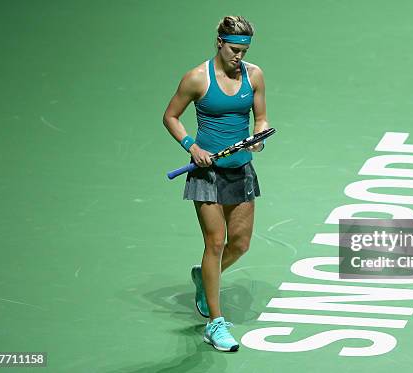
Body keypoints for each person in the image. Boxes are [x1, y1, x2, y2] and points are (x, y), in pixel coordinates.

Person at [162, 15, 269, 352]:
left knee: (240, 244)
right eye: (234, 49)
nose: (239, 56)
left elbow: (261, 118)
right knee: (216, 243)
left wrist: (258, 138)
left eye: (244, 50)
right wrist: (192, 146)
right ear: (219, 43)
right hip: (207, 174)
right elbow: (170, 116)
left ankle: (205, 277)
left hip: (241, 170)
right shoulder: (196, 78)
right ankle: (214, 323)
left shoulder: (254, 76)